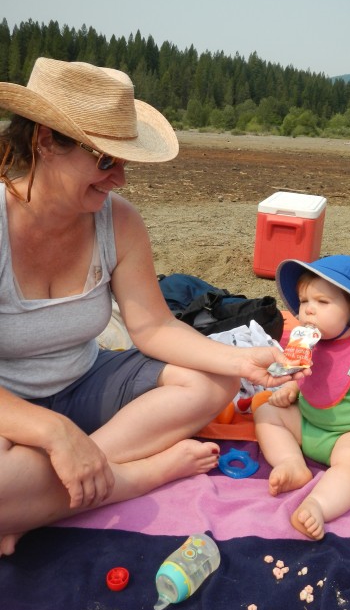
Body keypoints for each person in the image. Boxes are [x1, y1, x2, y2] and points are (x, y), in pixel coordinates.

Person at [0, 57, 304, 557]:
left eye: (124, 161)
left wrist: (240, 360)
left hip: (84, 381)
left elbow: (153, 326)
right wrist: (52, 431)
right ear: (45, 142)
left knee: (215, 381)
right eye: (104, 160)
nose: (119, 178)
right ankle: (135, 476)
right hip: (10, 405)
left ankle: (38, 499)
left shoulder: (117, 222)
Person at [254, 255, 350, 540]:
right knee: (266, 412)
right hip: (308, 425)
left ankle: (318, 504)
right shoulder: (305, 340)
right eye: (304, 301)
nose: (308, 311)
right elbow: (304, 378)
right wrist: (291, 389)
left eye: (322, 302)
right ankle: (291, 463)